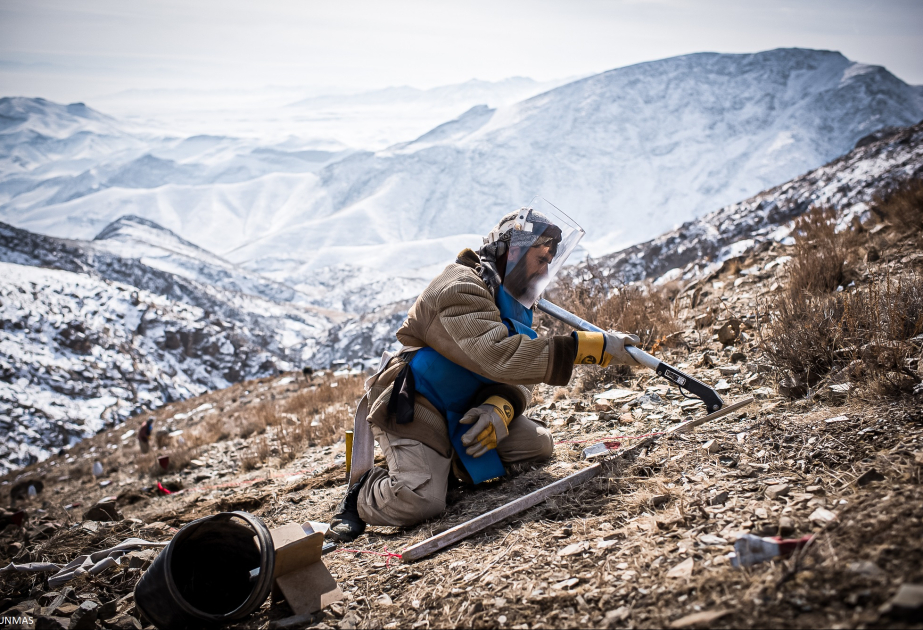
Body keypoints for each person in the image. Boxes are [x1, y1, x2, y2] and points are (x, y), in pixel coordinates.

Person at [328, 199, 641, 542]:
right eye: (540, 260)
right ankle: (361, 493)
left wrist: (499, 408)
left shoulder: (513, 306)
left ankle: (441, 467)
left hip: (466, 407)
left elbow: (519, 375)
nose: (544, 271)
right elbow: (499, 357)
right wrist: (588, 348)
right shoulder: (460, 287)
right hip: (419, 406)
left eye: (549, 263)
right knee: (419, 502)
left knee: (537, 445)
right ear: (512, 252)